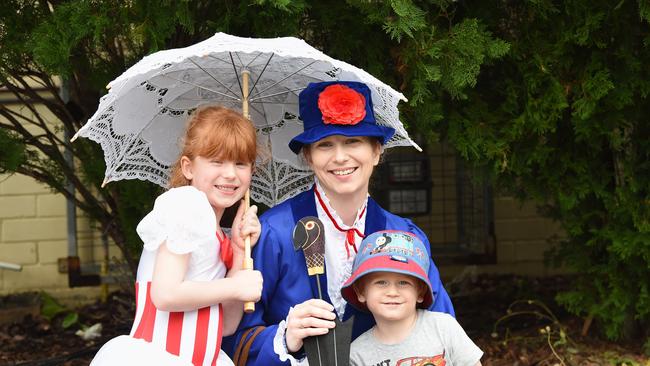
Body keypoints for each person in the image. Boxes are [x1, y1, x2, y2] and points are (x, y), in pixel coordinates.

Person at [223, 81, 455, 365]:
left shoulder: (404, 235)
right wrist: (285, 338)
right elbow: (234, 341)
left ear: (377, 151)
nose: (340, 157)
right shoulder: (273, 232)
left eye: (353, 141)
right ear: (308, 157)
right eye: (325, 145)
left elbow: (441, 330)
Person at [91, 106, 264, 366]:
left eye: (240, 163)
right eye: (217, 161)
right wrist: (235, 286)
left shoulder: (218, 234)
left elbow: (226, 325)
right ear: (188, 167)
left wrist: (239, 251)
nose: (230, 174)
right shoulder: (186, 207)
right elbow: (166, 295)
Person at [341, 230, 483, 366]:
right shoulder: (357, 354)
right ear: (361, 292)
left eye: (403, 283)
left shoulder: (443, 328)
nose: (392, 292)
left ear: (420, 292)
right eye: (381, 282)